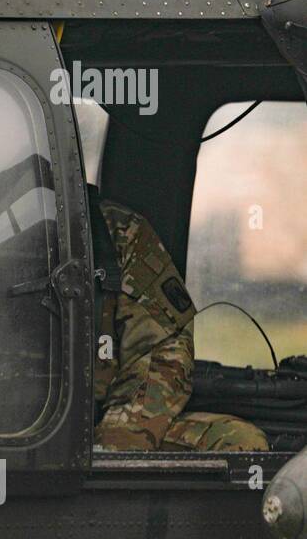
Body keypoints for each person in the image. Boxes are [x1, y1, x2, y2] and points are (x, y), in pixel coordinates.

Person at [91, 189, 269, 452]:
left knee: (237, 442)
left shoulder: (112, 231)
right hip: (17, 438)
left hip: (96, 426)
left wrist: (116, 454)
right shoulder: (7, 227)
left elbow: (162, 353)